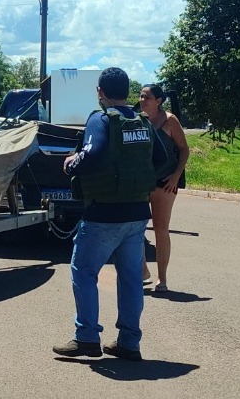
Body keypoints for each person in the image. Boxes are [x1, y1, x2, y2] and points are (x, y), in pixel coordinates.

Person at [53, 67, 166, 362]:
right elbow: (163, 159)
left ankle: (87, 338)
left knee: (84, 271)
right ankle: (129, 342)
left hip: (104, 213)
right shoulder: (142, 122)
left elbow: (92, 153)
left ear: (100, 92)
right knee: (130, 278)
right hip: (138, 213)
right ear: (127, 93)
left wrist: (70, 164)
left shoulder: (99, 120)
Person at [139, 83, 190, 295]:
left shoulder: (170, 121)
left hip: (165, 182)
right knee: (135, 229)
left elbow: (184, 149)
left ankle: (162, 278)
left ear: (158, 101)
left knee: (161, 229)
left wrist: (176, 176)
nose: (142, 100)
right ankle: (142, 272)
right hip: (142, 182)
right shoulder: (138, 120)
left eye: (146, 97)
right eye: (141, 97)